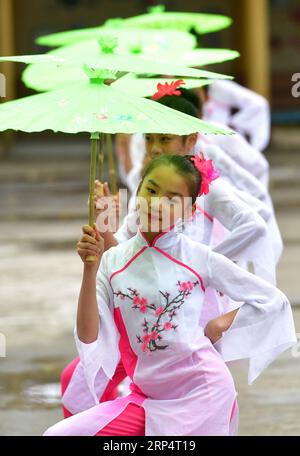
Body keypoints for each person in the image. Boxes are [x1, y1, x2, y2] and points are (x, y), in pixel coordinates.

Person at [44, 154, 296, 436]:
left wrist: (219, 324)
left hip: (203, 396)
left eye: (172, 199)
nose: (157, 203)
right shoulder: (113, 261)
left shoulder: (199, 257)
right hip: (148, 398)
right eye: (151, 190)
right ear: (138, 189)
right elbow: (88, 334)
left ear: (189, 211)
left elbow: (272, 300)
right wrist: (89, 270)